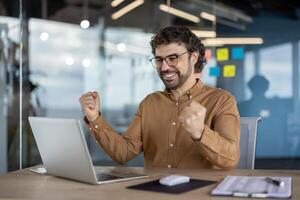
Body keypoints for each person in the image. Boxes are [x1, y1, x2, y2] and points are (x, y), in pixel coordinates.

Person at [79, 26, 240, 169]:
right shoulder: (149, 103)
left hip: (199, 192)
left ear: (193, 57)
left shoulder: (221, 100)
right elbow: (124, 153)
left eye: (173, 58)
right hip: (154, 191)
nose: (164, 67)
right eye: (159, 59)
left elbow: (231, 159)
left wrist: (200, 133)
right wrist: (94, 119)